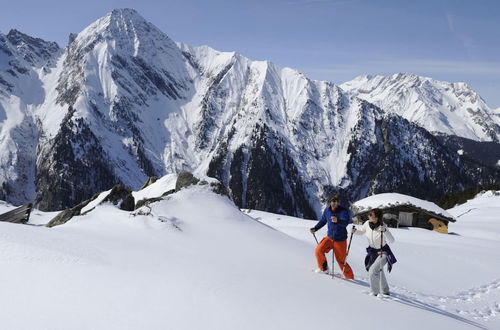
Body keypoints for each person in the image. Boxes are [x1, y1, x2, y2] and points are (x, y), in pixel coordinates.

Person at [352, 208, 397, 296]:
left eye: (370, 215)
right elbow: (362, 232)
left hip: (383, 252)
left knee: (372, 271)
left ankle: (374, 293)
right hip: (373, 252)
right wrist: (355, 232)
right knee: (379, 270)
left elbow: (392, 240)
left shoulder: (382, 226)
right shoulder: (367, 223)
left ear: (376, 217)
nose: (368, 216)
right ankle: (385, 291)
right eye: (369, 214)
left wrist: (385, 231)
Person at [309, 194, 354, 280]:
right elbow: (323, 220)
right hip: (330, 237)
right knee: (318, 250)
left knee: (341, 261)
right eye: (333, 201)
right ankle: (324, 269)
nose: (335, 203)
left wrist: (338, 220)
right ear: (330, 202)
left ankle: (350, 278)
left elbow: (346, 222)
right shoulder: (327, 211)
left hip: (340, 240)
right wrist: (315, 228)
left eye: (337, 201)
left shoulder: (343, 211)